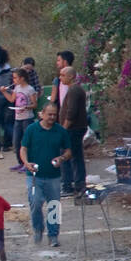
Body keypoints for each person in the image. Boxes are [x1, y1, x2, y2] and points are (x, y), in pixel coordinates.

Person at [19, 103, 73, 248]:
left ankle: (53, 235)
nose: (52, 117)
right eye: (49, 114)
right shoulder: (31, 129)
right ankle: (38, 229)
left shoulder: (61, 131)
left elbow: (68, 151)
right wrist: (26, 163)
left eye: (54, 115)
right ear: (42, 114)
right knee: (35, 203)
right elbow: (23, 149)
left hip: (54, 176)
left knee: (54, 206)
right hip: (34, 176)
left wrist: (61, 158)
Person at [58, 66, 89, 195]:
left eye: (62, 75)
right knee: (76, 156)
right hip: (75, 128)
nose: (60, 78)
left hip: (73, 129)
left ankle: (69, 185)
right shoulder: (74, 89)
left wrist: (64, 129)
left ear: (70, 76)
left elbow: (71, 112)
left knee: (68, 156)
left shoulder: (74, 90)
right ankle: (77, 184)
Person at [0, 68, 37, 172]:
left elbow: (35, 104)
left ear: (22, 78)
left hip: (27, 118)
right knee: (16, 142)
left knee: (26, 142)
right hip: (18, 118)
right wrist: (3, 92)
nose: (14, 80)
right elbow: (12, 99)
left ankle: (27, 163)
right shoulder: (16, 88)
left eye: (15, 78)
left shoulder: (30, 89)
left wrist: (27, 107)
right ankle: (20, 163)